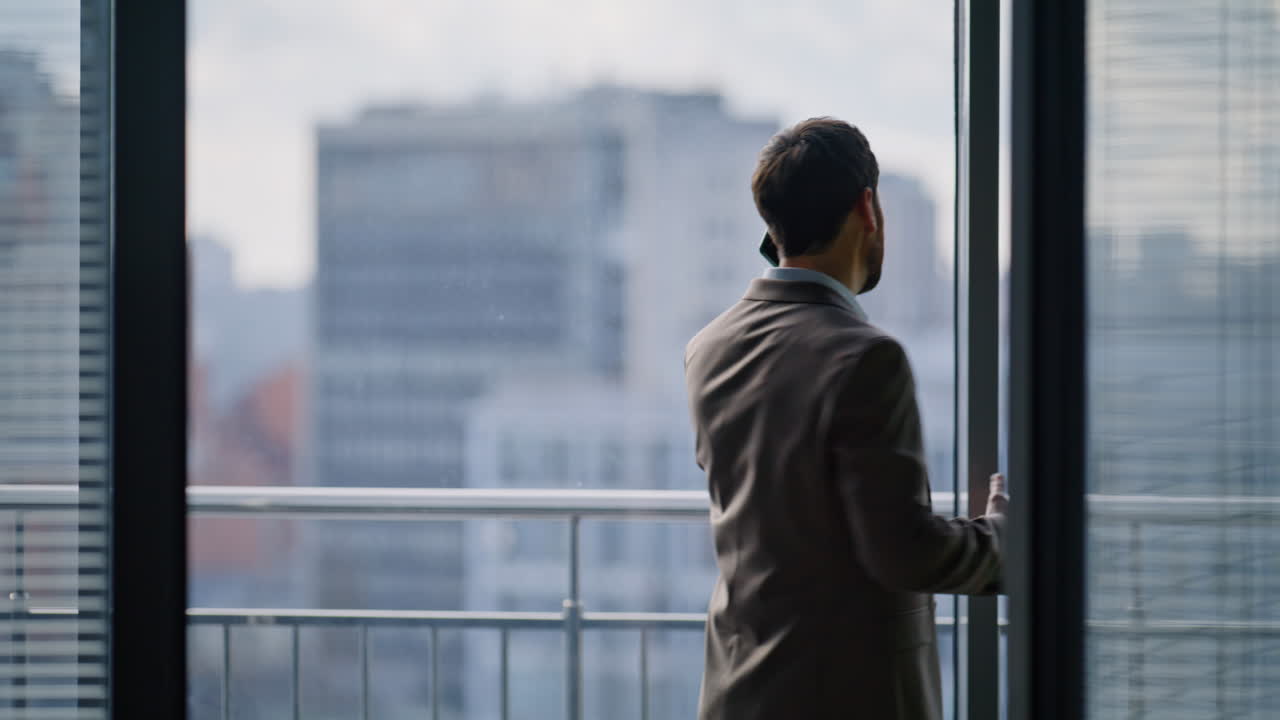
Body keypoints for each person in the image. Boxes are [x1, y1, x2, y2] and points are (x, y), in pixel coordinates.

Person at [684, 117, 1007, 720]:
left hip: (738, 690)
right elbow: (903, 552)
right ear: (868, 208)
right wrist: (1003, 542)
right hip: (847, 695)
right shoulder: (865, 358)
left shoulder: (709, 347)